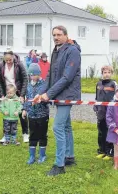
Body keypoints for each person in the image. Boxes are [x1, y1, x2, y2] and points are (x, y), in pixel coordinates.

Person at [34, 25, 81, 176]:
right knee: (66, 126)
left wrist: (48, 95)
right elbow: (50, 77)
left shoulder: (73, 51)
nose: (56, 37)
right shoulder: (56, 51)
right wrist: (40, 93)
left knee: (58, 127)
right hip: (58, 94)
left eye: (59, 34)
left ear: (66, 35)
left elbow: (67, 78)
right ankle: (69, 156)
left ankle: (59, 165)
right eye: (54, 35)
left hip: (67, 95)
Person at [0, 51, 28, 143]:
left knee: (21, 112)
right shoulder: (1, 66)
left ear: (13, 57)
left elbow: (25, 79)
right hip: (7, 92)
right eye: (6, 60)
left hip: (17, 91)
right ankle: (6, 135)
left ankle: (25, 133)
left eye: (10, 59)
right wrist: (2, 94)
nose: (8, 61)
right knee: (7, 112)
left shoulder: (19, 65)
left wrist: (22, 95)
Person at [24, 63, 50, 164]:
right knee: (33, 135)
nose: (32, 77)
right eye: (31, 75)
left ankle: (42, 155)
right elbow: (27, 99)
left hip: (42, 115)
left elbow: (48, 99)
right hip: (32, 115)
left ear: (39, 74)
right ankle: (32, 156)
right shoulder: (28, 85)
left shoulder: (44, 84)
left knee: (42, 135)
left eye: (34, 74)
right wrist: (25, 109)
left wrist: (42, 100)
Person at [93, 65, 115, 160]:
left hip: (110, 112)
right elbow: (96, 97)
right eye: (105, 72)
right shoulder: (98, 84)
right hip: (100, 112)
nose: (107, 74)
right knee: (101, 131)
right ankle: (101, 150)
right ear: (102, 74)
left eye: (109, 72)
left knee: (109, 131)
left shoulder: (113, 84)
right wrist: (95, 106)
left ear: (111, 73)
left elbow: (117, 97)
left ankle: (109, 151)